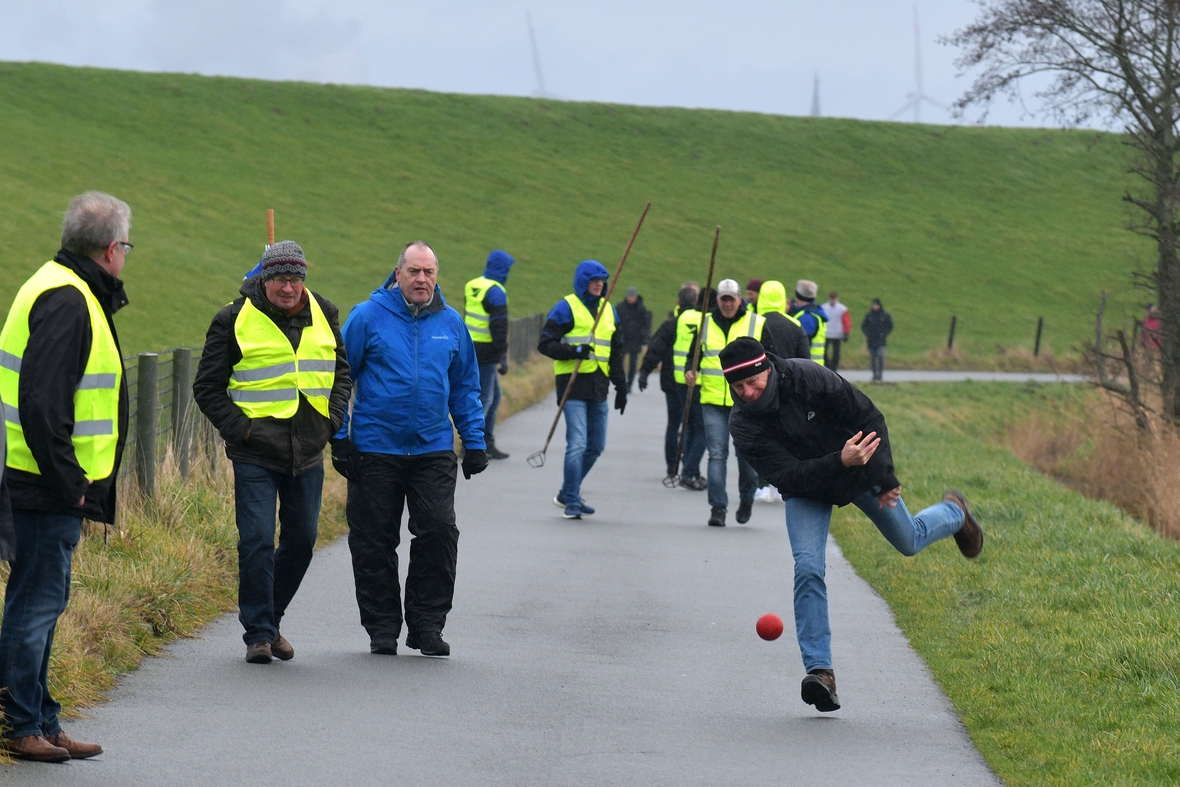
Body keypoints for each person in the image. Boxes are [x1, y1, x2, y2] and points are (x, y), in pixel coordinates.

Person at [722, 337, 983, 713]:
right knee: (808, 567)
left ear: (768, 367)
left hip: (860, 468)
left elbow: (868, 417)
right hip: (810, 486)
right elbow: (789, 477)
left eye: (753, 381)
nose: (748, 393)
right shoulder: (743, 424)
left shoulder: (808, 377)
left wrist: (885, 477)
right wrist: (837, 462)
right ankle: (820, 672)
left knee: (909, 540)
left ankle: (955, 512)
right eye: (738, 388)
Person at [0, 192, 132, 761]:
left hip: (40, 481)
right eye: (126, 245)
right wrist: (71, 481)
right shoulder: (69, 300)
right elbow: (42, 405)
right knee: (35, 606)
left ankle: (43, 719)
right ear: (110, 249)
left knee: (43, 604)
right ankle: (22, 725)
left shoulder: (59, 284)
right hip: (44, 486)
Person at [194, 240, 352, 665]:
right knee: (258, 541)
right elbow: (206, 387)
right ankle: (258, 634)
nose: (289, 288)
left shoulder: (325, 311)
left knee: (302, 541)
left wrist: (333, 419)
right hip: (255, 452)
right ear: (265, 279)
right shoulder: (231, 319)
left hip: (308, 449)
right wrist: (240, 430)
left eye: (296, 279)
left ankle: (272, 618)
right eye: (281, 279)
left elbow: (341, 371)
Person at [331, 242, 487, 658]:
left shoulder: (451, 324)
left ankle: (426, 625)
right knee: (374, 541)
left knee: (438, 531)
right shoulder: (367, 318)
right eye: (414, 271)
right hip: (374, 449)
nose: (422, 280)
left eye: (429, 272)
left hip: (432, 447)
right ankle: (382, 627)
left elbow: (466, 387)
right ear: (396, 274)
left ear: (437, 276)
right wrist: (339, 438)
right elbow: (340, 378)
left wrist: (473, 442)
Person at [538, 260, 628, 519]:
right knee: (577, 443)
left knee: (596, 445)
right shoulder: (566, 308)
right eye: (594, 280)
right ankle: (572, 501)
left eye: (603, 280)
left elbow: (616, 354)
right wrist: (574, 351)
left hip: (599, 388)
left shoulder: (610, 311)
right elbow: (545, 344)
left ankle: (568, 491)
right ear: (582, 282)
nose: (599, 284)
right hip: (573, 386)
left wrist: (621, 388)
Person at [684, 279, 764, 526]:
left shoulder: (755, 323)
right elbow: (693, 356)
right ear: (717, 301)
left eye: (732, 299)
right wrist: (690, 371)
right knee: (717, 455)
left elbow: (769, 359)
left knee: (747, 457)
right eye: (723, 299)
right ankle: (718, 508)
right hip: (712, 400)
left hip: (746, 403)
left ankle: (747, 498)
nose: (728, 304)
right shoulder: (705, 323)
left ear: (740, 299)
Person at [639, 286, 705, 485]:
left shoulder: (672, 324)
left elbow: (655, 348)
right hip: (695, 382)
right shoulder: (703, 322)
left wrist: (644, 371)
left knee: (674, 424)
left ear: (678, 303)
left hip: (670, 382)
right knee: (694, 426)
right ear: (695, 303)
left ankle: (672, 466)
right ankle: (689, 466)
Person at [464, 250, 514, 460]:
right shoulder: (496, 292)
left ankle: (487, 441)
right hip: (486, 352)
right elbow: (499, 327)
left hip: (469, 348)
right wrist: (502, 356)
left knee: (493, 397)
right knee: (485, 398)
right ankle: (471, 445)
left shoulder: (473, 285)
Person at [617, 286, 652, 393]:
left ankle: (629, 384)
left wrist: (645, 339)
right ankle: (620, 383)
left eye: (633, 296)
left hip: (635, 340)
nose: (631, 298)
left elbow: (646, 325)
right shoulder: (620, 308)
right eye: (629, 296)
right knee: (619, 363)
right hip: (623, 340)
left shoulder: (641, 309)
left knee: (633, 364)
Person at [788, 279, 829, 366]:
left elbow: (802, 344)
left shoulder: (807, 318)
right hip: (815, 366)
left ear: (798, 296)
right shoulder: (815, 312)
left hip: (808, 367)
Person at [862, 298, 894, 382]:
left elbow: (890, 326)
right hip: (871, 340)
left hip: (880, 340)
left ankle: (880, 374)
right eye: (873, 305)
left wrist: (884, 333)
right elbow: (864, 326)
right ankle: (874, 374)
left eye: (876, 305)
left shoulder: (884, 315)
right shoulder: (869, 315)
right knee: (872, 358)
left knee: (880, 356)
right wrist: (868, 334)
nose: (874, 307)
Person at [821, 291, 851, 372]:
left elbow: (846, 321)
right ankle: (827, 366)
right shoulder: (824, 307)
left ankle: (834, 368)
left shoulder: (842, 309)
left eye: (834, 298)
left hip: (837, 334)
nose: (832, 300)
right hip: (826, 333)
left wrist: (846, 333)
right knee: (824, 352)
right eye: (831, 298)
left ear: (837, 299)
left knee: (836, 353)